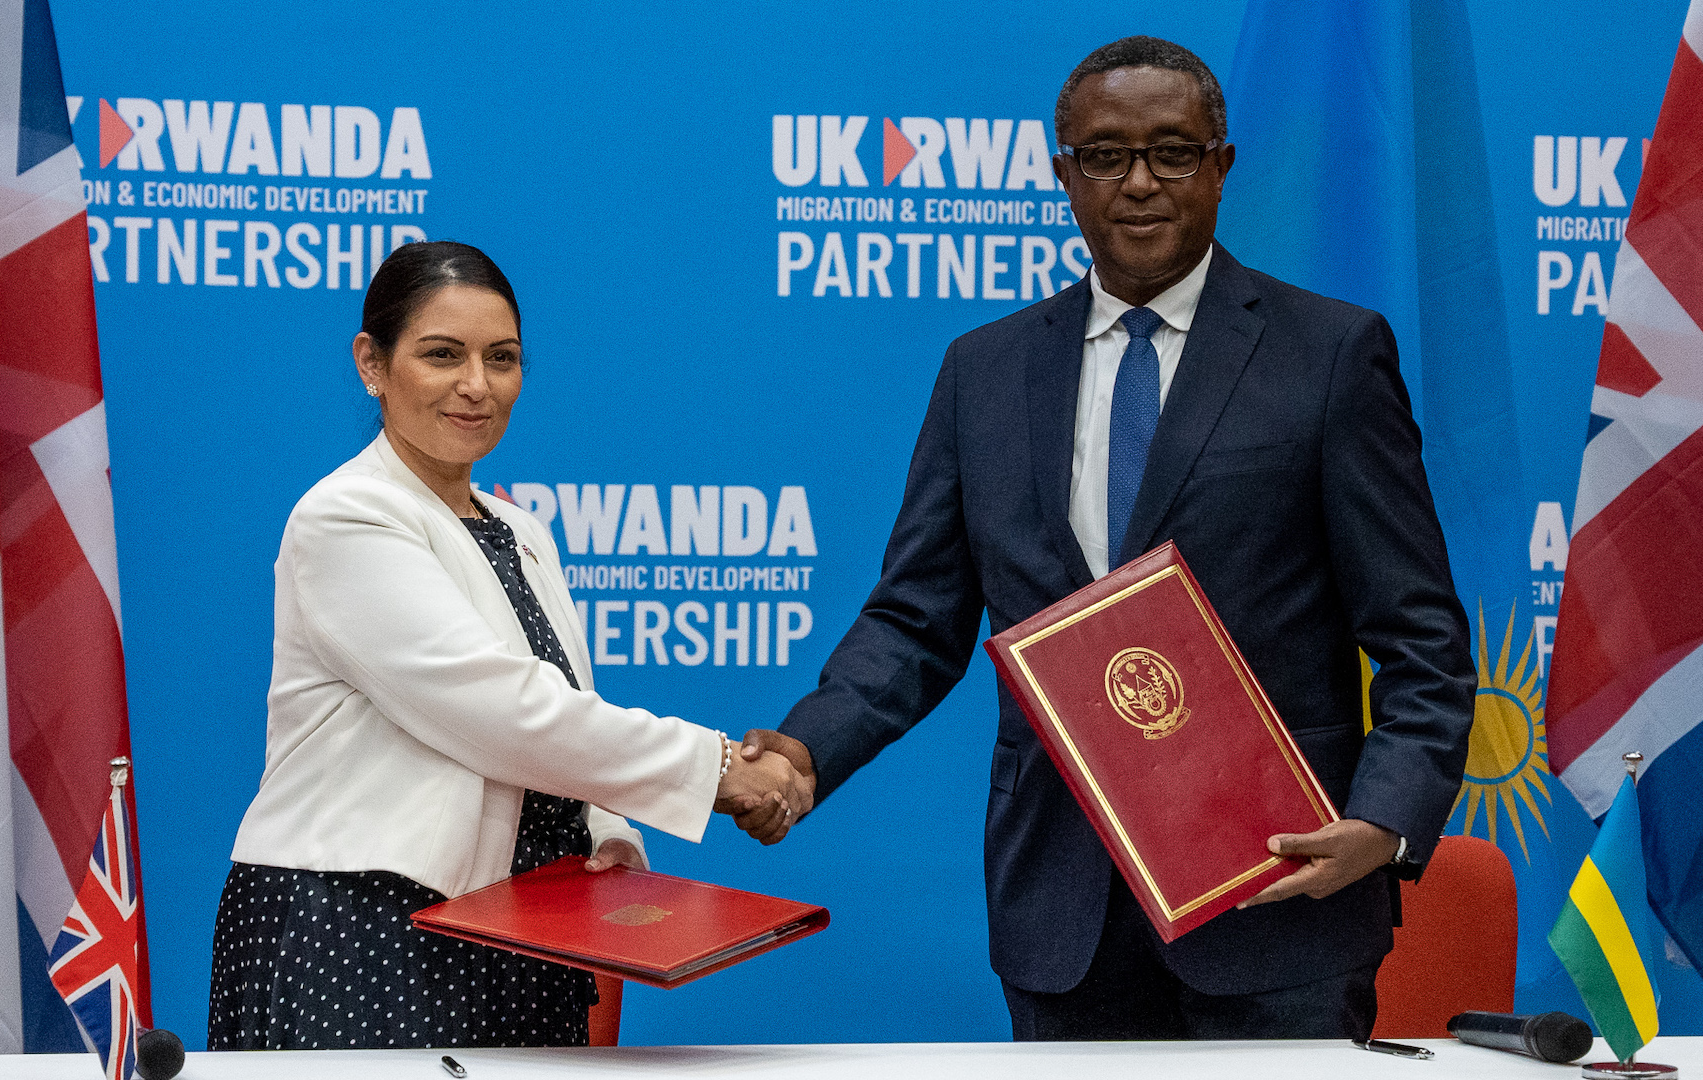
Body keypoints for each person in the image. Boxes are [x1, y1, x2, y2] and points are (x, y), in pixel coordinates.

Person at [734, 37, 1475, 1040]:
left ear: (1220, 165)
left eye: (1173, 152)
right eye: (1104, 155)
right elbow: (915, 622)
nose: (1138, 183)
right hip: (1062, 909)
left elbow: (1421, 635)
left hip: (1276, 897)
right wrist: (805, 754)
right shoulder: (983, 372)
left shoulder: (1332, 355)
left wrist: (1383, 822)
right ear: (1061, 174)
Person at [207, 241, 803, 1050]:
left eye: (502, 358)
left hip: (515, 937)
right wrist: (725, 771)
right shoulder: (345, 516)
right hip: (361, 926)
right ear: (371, 365)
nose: (476, 385)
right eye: (441, 355)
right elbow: (502, 713)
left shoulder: (519, 529)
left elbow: (563, 719)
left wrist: (605, 842)